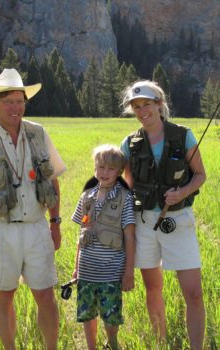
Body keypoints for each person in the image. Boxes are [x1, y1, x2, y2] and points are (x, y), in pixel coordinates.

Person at [0, 68, 66, 350]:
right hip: (0, 233)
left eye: (20, 100)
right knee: (4, 297)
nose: (15, 107)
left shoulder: (39, 133)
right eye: (8, 101)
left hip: (36, 229)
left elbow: (53, 181)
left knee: (45, 296)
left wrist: (55, 224)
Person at [120, 80, 206, 349]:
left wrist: (182, 192)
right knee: (152, 288)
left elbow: (201, 175)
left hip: (178, 221)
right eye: (136, 106)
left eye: (146, 104)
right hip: (145, 223)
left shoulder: (183, 135)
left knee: (193, 293)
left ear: (159, 104)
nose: (142, 110)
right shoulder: (130, 143)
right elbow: (127, 185)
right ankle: (161, 343)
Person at [71, 144, 135, 350]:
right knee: (87, 313)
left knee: (111, 315)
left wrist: (129, 272)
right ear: (95, 169)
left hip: (111, 271)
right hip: (87, 270)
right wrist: (76, 268)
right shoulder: (86, 197)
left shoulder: (124, 199)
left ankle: (112, 342)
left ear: (119, 172)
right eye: (100, 167)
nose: (104, 172)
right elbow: (80, 236)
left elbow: (130, 236)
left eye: (110, 169)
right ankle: (91, 346)